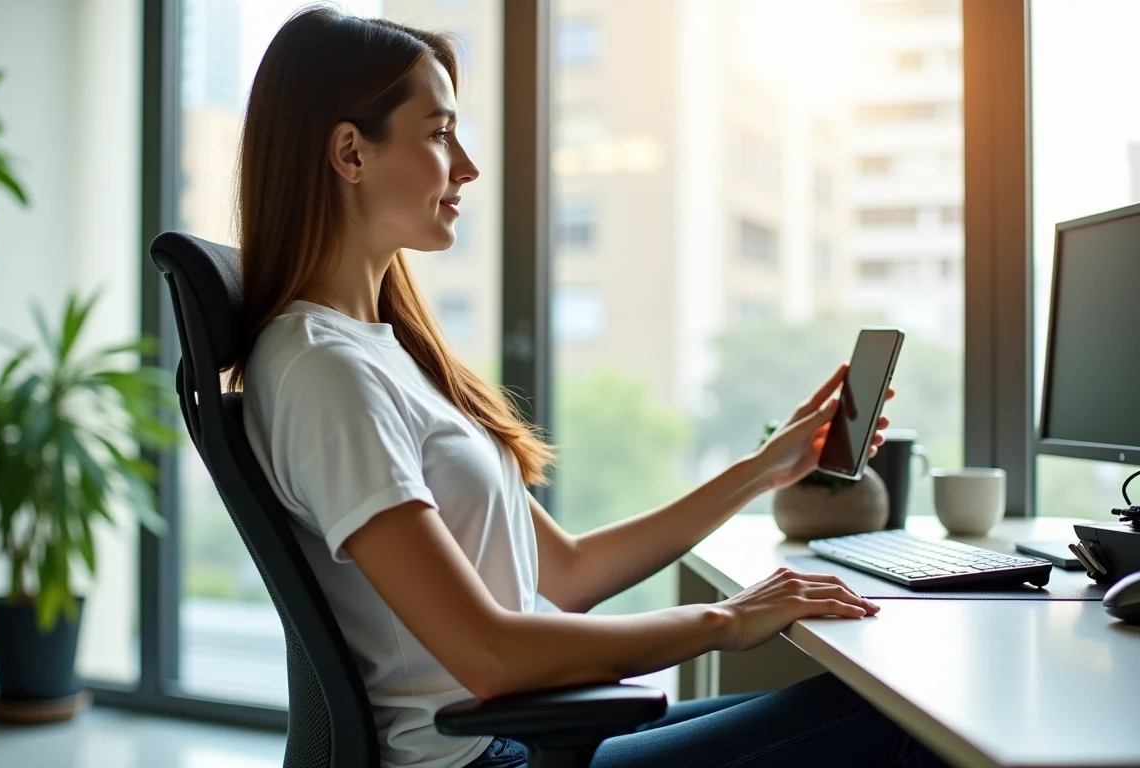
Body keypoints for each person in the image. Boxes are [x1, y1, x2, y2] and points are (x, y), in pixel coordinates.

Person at [233, 6, 949, 768]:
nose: (467, 165)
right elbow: (489, 655)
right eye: (440, 134)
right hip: (486, 759)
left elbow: (568, 575)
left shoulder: (381, 355)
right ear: (351, 152)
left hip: (517, 734)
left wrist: (764, 469)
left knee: (882, 706)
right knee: (904, 722)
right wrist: (725, 621)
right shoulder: (326, 373)